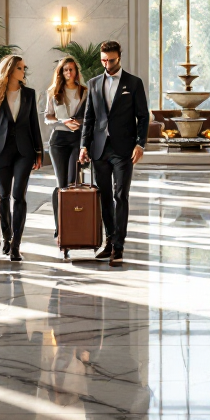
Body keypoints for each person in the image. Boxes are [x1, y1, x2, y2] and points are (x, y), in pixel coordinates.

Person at [79, 40, 149, 266]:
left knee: (121, 195)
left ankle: (119, 246)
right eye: (103, 60)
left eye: (110, 60)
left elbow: (143, 116)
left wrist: (141, 144)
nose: (106, 64)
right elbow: (89, 118)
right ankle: (109, 240)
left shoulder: (134, 83)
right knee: (105, 197)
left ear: (119, 57)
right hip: (99, 148)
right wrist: (83, 146)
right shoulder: (94, 83)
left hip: (124, 149)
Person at [0, 54, 43, 262]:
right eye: (21, 68)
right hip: (0, 151)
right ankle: (6, 238)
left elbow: (34, 125)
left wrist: (39, 152)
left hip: (24, 151)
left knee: (18, 196)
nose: (24, 72)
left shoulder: (30, 94)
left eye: (24, 68)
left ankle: (16, 245)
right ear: (10, 71)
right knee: (3, 197)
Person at [45, 56, 88, 244]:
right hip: (58, 141)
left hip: (76, 140)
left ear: (76, 71)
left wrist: (79, 123)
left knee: (72, 182)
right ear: (61, 72)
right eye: (65, 70)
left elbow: (91, 116)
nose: (68, 73)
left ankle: (73, 224)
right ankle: (59, 227)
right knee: (61, 183)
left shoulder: (84, 91)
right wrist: (63, 121)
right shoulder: (54, 92)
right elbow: (48, 118)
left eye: (71, 69)